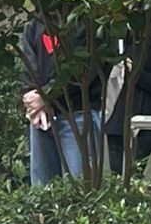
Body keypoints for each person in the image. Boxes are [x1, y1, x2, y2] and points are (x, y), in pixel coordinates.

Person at [20, 15, 108, 185]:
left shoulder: (86, 20)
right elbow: (28, 68)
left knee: (81, 186)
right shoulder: (35, 24)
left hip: (79, 114)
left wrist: (46, 96)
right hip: (41, 117)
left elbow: (83, 70)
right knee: (42, 189)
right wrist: (35, 100)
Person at [105, 26, 151, 176]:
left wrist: (135, 71)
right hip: (117, 117)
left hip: (145, 119)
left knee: (133, 174)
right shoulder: (123, 38)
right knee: (116, 175)